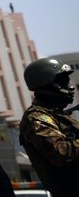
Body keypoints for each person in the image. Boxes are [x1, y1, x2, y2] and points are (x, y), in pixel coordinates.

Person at [19, 58, 79, 197]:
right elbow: (61, 153)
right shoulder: (37, 117)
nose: (70, 87)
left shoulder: (58, 115)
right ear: (49, 84)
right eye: (64, 82)